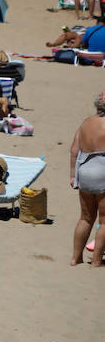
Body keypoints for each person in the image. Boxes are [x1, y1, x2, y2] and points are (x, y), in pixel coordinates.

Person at [69, 92, 105, 266]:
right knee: (104, 221)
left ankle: (76, 258)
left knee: (85, 218)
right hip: (102, 171)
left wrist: (72, 176)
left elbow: (74, 150)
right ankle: (96, 261)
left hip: (84, 171)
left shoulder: (85, 123)